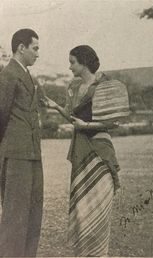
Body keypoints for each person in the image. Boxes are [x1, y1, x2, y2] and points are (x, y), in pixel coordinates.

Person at [45, 45, 127, 256]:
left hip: (99, 151)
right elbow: (74, 119)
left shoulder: (105, 85)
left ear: (84, 62)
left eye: (72, 62)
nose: (69, 66)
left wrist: (86, 126)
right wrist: (55, 107)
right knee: (83, 210)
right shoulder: (73, 87)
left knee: (99, 208)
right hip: (81, 151)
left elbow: (114, 122)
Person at [0, 28, 43, 257]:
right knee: (15, 217)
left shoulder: (26, 75)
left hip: (32, 153)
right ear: (21, 47)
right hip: (16, 155)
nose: (37, 54)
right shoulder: (8, 75)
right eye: (35, 48)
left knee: (32, 215)